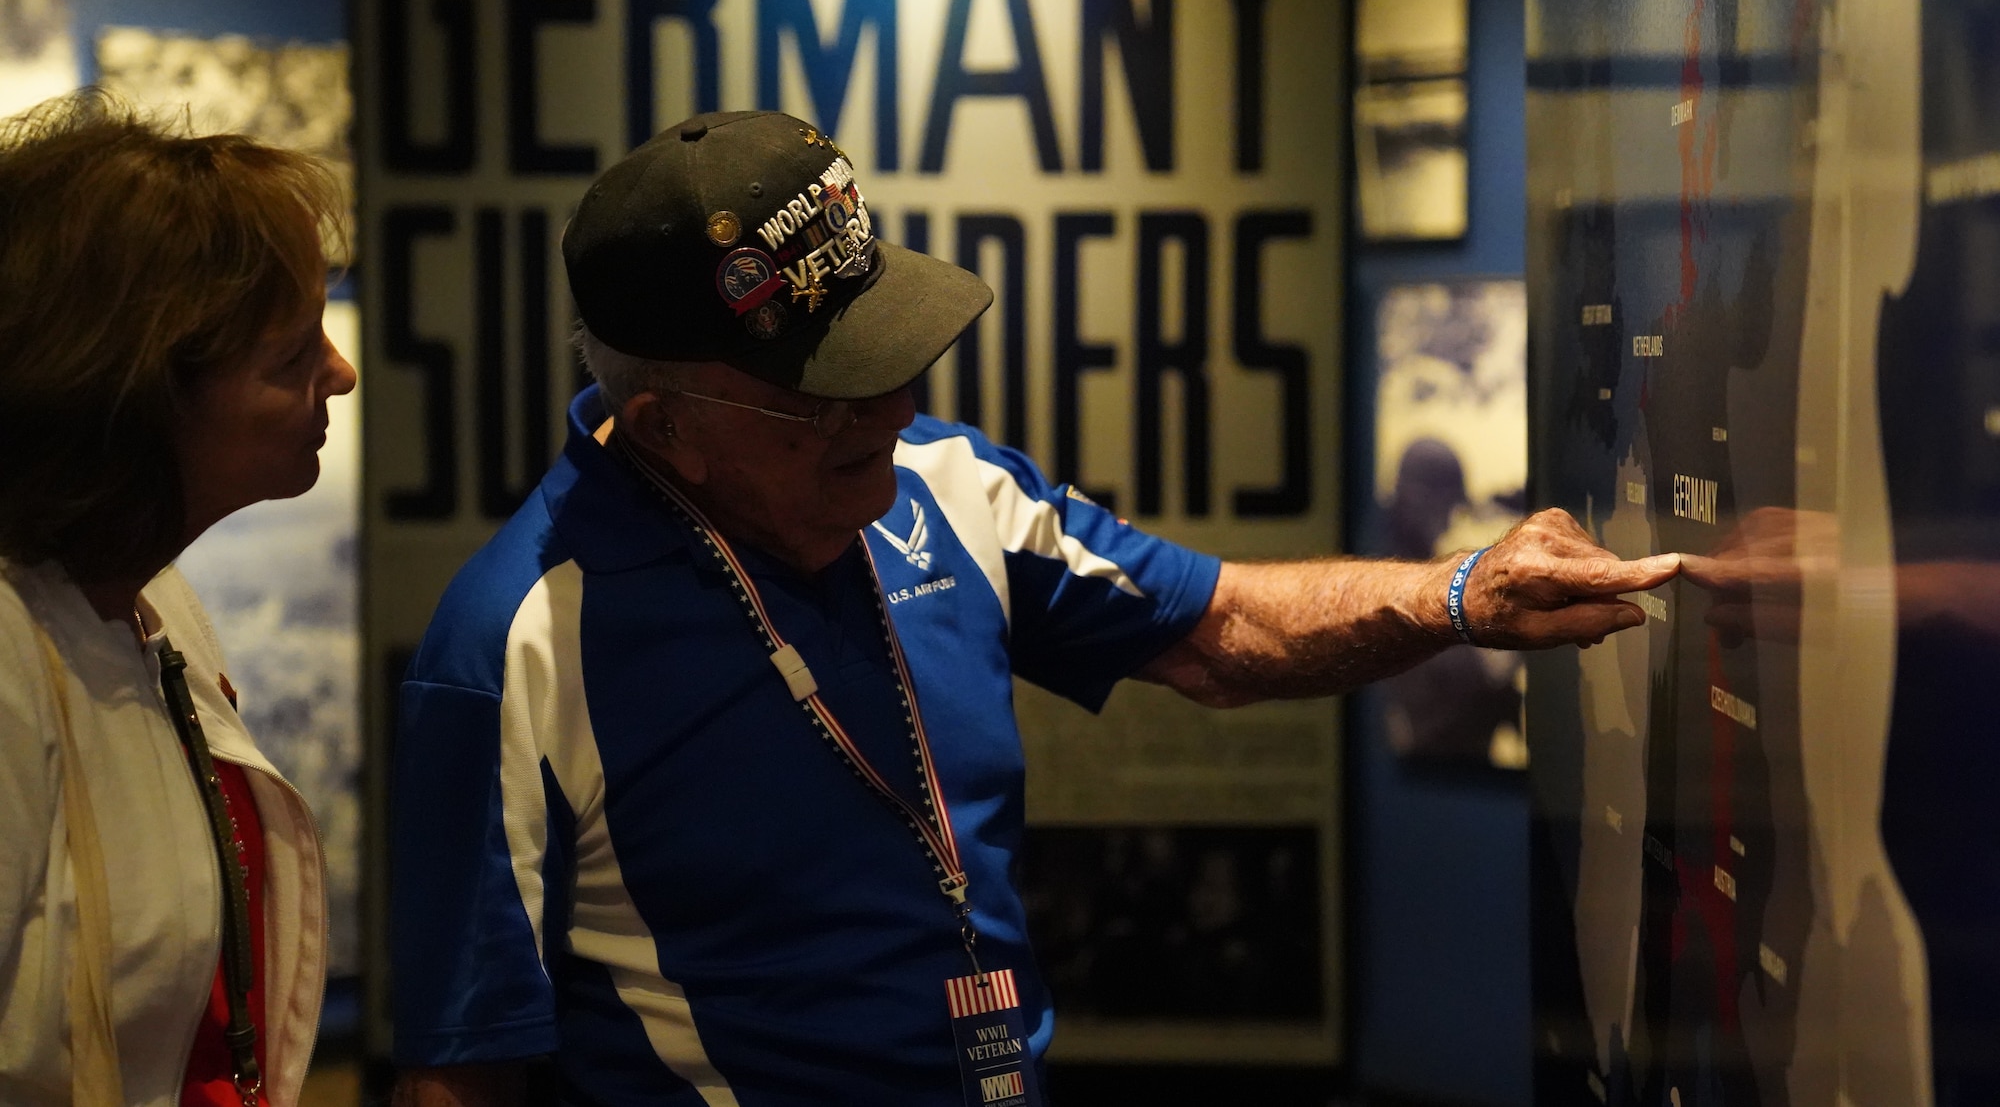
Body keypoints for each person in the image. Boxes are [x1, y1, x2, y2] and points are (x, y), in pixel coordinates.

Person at [390, 110, 1678, 1107]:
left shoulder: (951, 489)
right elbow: (465, 1064)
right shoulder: (517, 644)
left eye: (895, 363)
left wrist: (1456, 591)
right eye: (827, 394)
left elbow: (1220, 631)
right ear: (666, 421)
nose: (892, 414)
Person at [0, 91, 353, 1105]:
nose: (341, 374)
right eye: (290, 358)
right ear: (134, 403)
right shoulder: (16, 644)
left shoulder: (151, 600)